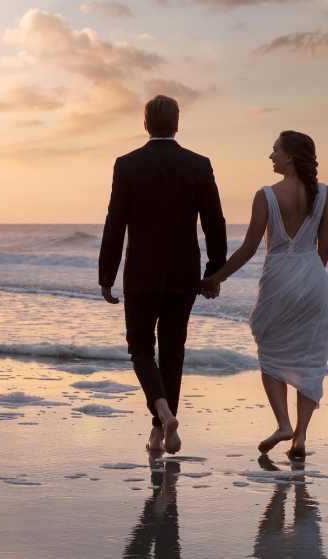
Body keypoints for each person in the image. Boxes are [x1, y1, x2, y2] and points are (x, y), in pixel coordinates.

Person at [98, 95, 227, 454]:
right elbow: (214, 222)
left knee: (140, 348)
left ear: (145, 123)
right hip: (184, 273)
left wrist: (106, 275)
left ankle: (162, 413)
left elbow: (115, 223)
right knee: (173, 350)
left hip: (141, 272)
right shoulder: (199, 165)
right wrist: (215, 271)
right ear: (177, 123)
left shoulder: (127, 164)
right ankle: (160, 429)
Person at [201, 131, 328, 460]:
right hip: (314, 280)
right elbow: (325, 250)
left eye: (275, 151)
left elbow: (248, 248)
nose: (271, 156)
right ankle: (301, 436)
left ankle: (283, 424)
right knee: (310, 361)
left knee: (271, 353)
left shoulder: (266, 195)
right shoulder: (325, 194)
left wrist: (213, 278)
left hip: (277, 279)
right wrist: (309, 278)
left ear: (289, 156)